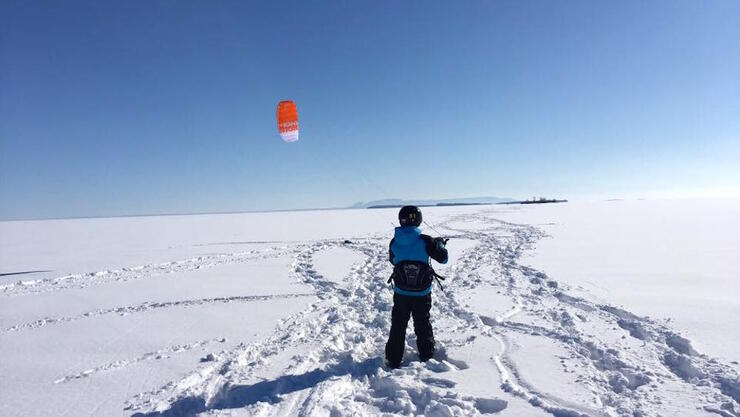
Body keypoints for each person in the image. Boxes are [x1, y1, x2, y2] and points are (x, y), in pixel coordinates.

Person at [385, 205, 448, 368]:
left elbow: (393, 260)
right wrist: (439, 244)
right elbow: (443, 259)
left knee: (398, 324)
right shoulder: (426, 240)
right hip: (422, 293)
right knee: (422, 323)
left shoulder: (394, 241)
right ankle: (427, 355)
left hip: (401, 292)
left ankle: (393, 358)